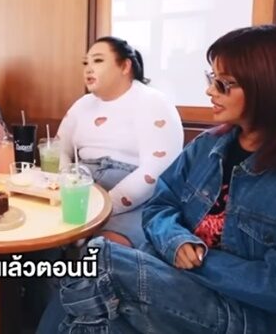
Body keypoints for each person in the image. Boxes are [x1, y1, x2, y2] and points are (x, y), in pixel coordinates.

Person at [39, 25, 276, 333]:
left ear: (272, 90)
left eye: (224, 84)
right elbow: (160, 205)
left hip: (266, 317)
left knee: (98, 264)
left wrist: (198, 260)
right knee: (96, 300)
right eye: (212, 78)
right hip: (191, 290)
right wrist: (176, 242)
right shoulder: (208, 147)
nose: (210, 90)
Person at [56, 36, 183, 248]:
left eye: (98, 60)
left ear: (125, 66)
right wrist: (67, 183)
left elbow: (156, 169)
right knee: (43, 241)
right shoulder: (82, 104)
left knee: (101, 251)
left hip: (135, 199)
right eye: (85, 63)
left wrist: (101, 206)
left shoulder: (153, 102)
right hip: (80, 190)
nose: (88, 69)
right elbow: (58, 148)